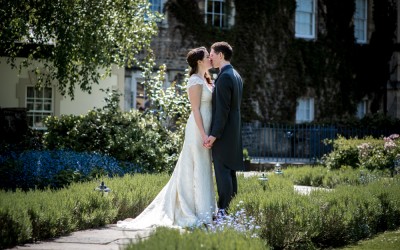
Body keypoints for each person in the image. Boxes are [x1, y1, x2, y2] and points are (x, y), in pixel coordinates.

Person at [117, 47, 217, 229]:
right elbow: (195, 109)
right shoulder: (195, 81)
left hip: (209, 128)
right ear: (199, 61)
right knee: (197, 166)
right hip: (198, 130)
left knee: (204, 168)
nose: (211, 58)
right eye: (207, 57)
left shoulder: (208, 79)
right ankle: (197, 213)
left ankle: (207, 211)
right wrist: (203, 134)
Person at [205, 41, 244, 218]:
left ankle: (223, 212)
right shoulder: (235, 74)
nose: (210, 58)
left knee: (222, 173)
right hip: (233, 131)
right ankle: (231, 210)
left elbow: (222, 110)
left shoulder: (225, 77)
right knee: (230, 171)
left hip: (224, 133)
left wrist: (214, 135)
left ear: (221, 55)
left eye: (212, 55)